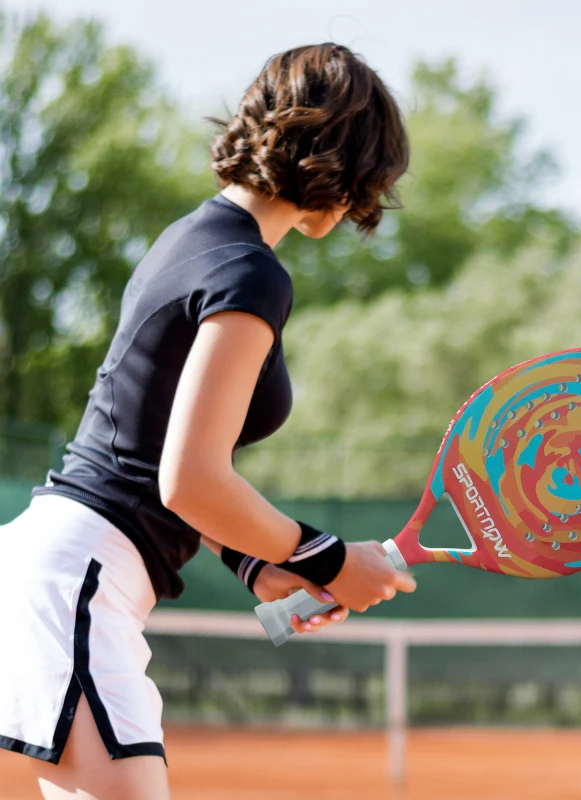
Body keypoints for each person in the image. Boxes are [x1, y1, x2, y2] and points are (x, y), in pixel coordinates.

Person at [0, 43, 416, 800]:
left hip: (50, 565)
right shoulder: (250, 272)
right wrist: (328, 560)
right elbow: (191, 478)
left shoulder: (191, 239)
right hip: (79, 578)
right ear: (342, 168)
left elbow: (160, 452)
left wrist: (259, 564)